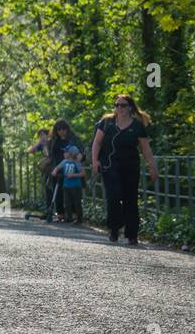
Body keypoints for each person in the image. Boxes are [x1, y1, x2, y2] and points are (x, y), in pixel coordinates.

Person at [90, 94, 159, 245]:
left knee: (130, 199)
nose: (119, 108)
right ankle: (114, 229)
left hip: (130, 167)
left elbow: (146, 149)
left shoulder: (137, 126)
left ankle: (132, 234)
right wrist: (94, 161)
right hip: (109, 165)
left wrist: (153, 168)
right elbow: (97, 143)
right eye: (116, 105)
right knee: (114, 196)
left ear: (130, 108)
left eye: (122, 105)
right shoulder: (106, 122)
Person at [42, 119, 80, 222]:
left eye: (64, 129)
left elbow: (80, 152)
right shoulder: (53, 140)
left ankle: (74, 213)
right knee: (56, 190)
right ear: (56, 130)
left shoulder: (73, 139)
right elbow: (49, 154)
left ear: (67, 129)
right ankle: (60, 213)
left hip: (70, 168)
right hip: (57, 167)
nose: (61, 131)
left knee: (71, 191)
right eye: (59, 129)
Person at [51, 144, 85, 223]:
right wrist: (54, 171)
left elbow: (83, 173)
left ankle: (79, 219)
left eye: (65, 152)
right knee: (67, 202)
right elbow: (57, 167)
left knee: (77, 203)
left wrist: (73, 175)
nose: (63, 153)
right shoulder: (64, 162)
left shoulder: (76, 163)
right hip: (66, 186)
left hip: (76, 186)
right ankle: (68, 217)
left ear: (71, 154)